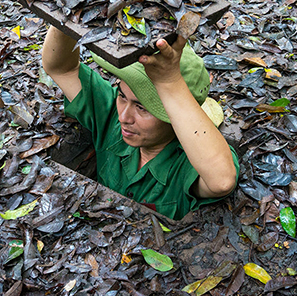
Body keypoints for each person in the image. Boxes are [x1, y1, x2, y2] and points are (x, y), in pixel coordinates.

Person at [42, 25, 239, 219]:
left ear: (176, 116)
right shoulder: (110, 116)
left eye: (142, 107)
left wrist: (170, 82)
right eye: (122, 96)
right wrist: (69, 13)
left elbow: (222, 181)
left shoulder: (187, 163)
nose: (124, 117)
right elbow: (61, 68)